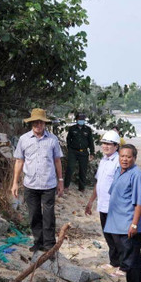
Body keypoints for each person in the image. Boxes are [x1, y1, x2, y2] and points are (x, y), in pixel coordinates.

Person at [11, 108, 64, 252]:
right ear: (31, 123)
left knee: (48, 216)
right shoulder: (24, 139)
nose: (38, 125)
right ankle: (38, 242)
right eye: (35, 122)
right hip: (30, 184)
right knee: (34, 214)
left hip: (48, 184)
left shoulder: (52, 140)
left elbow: (57, 161)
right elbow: (19, 161)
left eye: (40, 122)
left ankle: (49, 245)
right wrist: (15, 182)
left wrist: (60, 181)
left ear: (44, 124)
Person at [104, 144, 141, 282]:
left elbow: (139, 203)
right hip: (118, 221)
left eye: (128, 157)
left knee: (131, 256)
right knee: (128, 254)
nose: (125, 159)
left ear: (134, 158)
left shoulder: (137, 175)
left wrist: (134, 224)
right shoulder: (119, 171)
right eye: (122, 156)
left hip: (130, 223)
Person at [85, 131, 122, 272]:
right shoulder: (103, 160)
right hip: (102, 205)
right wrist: (90, 202)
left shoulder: (118, 162)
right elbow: (98, 183)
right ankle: (114, 262)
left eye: (109, 144)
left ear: (116, 146)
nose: (105, 146)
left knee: (117, 237)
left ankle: (123, 265)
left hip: (114, 206)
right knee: (108, 236)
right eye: (104, 143)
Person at [64, 113, 95, 192]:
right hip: (73, 152)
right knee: (70, 168)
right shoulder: (72, 128)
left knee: (83, 170)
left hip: (84, 152)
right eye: (80, 119)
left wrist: (92, 152)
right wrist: (69, 148)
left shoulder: (88, 129)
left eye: (83, 119)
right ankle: (66, 186)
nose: (81, 121)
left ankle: (81, 188)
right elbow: (68, 139)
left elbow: (91, 141)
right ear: (76, 120)